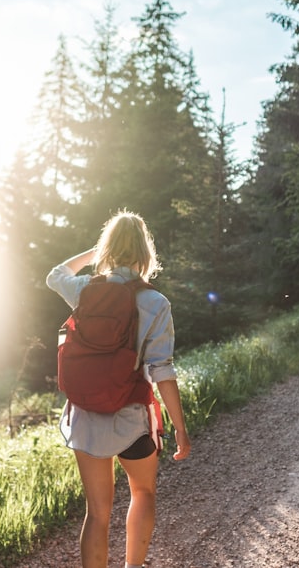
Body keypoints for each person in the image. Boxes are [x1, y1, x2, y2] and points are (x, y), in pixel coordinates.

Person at [46, 209, 191, 568]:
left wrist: (95, 255)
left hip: (85, 416)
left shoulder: (84, 290)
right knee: (143, 493)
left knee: (96, 513)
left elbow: (54, 275)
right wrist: (181, 428)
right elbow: (162, 370)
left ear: (107, 247)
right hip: (130, 416)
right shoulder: (155, 303)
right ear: (145, 252)